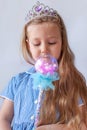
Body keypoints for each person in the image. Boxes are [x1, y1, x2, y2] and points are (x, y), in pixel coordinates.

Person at [0, 1, 87, 130]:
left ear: (62, 42)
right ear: (28, 44)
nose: (44, 49)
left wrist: (50, 128)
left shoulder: (72, 82)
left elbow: (82, 125)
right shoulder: (18, 82)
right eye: (36, 43)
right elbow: (4, 118)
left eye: (52, 42)